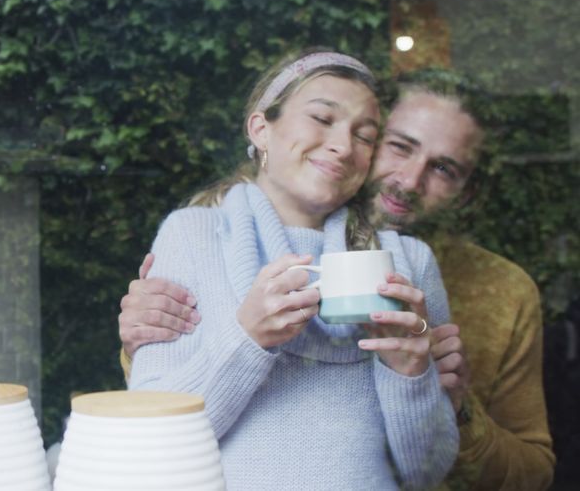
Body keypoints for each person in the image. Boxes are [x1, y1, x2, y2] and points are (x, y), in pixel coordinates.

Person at [120, 73, 555, 490]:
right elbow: (159, 419)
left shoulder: (502, 289)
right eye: (398, 147)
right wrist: (144, 334)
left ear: (467, 191)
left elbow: (532, 473)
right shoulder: (205, 239)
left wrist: (457, 408)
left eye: (444, 169)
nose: (409, 181)